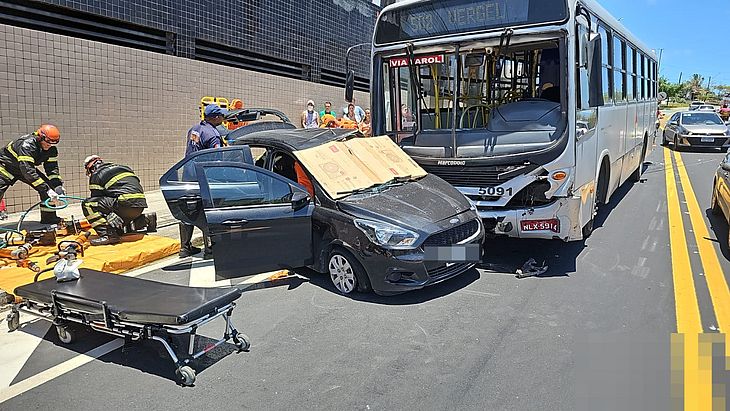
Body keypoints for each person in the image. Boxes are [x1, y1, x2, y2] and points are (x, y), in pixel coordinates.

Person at [179, 104, 228, 257]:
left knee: (188, 209)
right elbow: (216, 158)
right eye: (221, 116)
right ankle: (210, 250)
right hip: (203, 176)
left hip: (188, 173)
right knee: (207, 211)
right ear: (215, 118)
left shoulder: (194, 129)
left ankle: (185, 248)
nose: (223, 118)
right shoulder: (213, 134)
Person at [81, 155, 156, 245]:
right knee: (118, 229)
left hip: (123, 204)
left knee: (87, 204)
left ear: (91, 168)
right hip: (139, 205)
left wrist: (109, 214)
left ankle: (108, 236)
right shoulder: (123, 167)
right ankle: (145, 219)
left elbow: (95, 200)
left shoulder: (96, 175)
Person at [0, 125, 65, 224]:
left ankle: (49, 218)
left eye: (53, 143)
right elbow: (27, 170)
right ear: (40, 137)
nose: (49, 145)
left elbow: (52, 169)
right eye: (48, 142)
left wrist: (57, 186)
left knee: (48, 187)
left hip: (23, 167)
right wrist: (46, 189)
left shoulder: (51, 149)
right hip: (6, 166)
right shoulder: (27, 144)